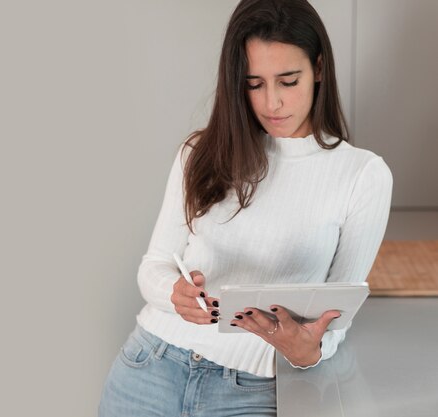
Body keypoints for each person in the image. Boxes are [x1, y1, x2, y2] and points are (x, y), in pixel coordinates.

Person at [99, 0, 393, 415]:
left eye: (288, 81)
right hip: (151, 365)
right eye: (254, 84)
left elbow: (335, 319)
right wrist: (175, 293)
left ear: (319, 69)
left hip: (251, 387)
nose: (272, 103)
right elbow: (153, 267)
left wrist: (306, 351)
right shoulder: (201, 152)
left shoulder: (363, 175)